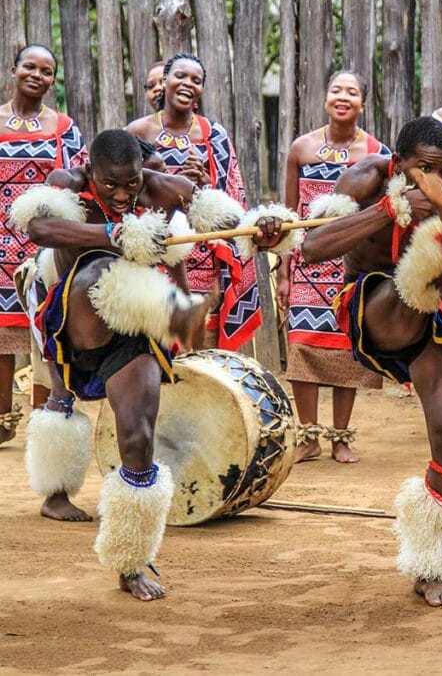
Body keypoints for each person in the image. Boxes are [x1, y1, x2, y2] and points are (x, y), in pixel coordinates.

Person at [12, 128, 287, 597]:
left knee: (138, 438)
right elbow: (38, 229)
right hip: (66, 305)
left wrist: (263, 228)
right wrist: (114, 232)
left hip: (132, 316)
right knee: (62, 390)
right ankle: (56, 493)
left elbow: (226, 222)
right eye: (110, 185)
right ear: (91, 172)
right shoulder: (68, 183)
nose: (122, 194)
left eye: (131, 184)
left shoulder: (163, 188)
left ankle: (132, 559)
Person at [300, 117, 442, 607]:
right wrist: (392, 209)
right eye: (422, 171)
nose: (434, 182)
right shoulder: (366, 179)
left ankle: (430, 566)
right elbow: (312, 247)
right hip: (373, 303)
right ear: (398, 163)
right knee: (419, 274)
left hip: (433, 312)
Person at [277, 70, 390, 463]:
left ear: (362, 103)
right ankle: (308, 436)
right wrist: (283, 274)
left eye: (352, 92)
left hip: (352, 266)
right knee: (303, 347)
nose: (343, 97)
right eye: (336, 90)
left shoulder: (377, 153)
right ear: (325, 98)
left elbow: (383, 215)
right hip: (308, 265)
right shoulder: (301, 149)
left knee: (347, 350)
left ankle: (341, 437)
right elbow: (288, 218)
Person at [127, 52, 261, 351]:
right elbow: (120, 193)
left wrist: (202, 185)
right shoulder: (137, 132)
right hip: (152, 251)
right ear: (165, 82)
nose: (188, 83)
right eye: (180, 76)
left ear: (201, 90)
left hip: (203, 254)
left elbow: (232, 196)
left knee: (199, 352)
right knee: (150, 346)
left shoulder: (214, 135)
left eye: (196, 80)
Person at [0, 44, 88, 440]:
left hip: (43, 246)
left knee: (44, 330)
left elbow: (79, 185)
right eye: (30, 67)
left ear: (54, 80)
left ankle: (42, 417)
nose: (38, 75)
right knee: (1, 335)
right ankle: (2, 420)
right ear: (14, 70)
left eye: (47, 71)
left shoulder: (64, 127)